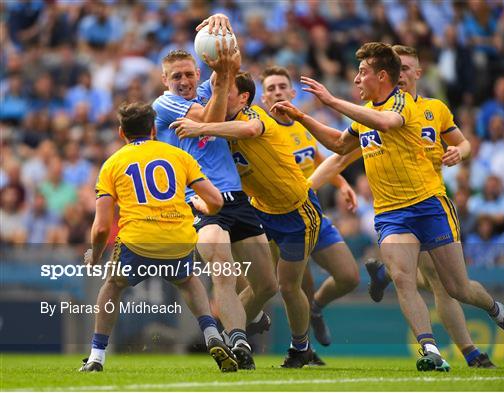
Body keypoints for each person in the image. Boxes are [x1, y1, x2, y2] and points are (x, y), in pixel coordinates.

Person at [271, 42, 504, 372]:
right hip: (391, 213)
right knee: (405, 279)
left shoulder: (406, 105)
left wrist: (331, 100)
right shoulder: (367, 113)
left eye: (362, 73)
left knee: (457, 288)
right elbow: (338, 145)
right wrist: (303, 116)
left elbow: (389, 124)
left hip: (429, 205)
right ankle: (431, 351)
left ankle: (497, 311)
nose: (356, 80)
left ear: (385, 76)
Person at [171, 72, 323, 368]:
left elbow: (250, 130)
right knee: (256, 280)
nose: (217, 97)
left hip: (296, 209)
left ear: (243, 98)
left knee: (287, 286)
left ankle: (300, 347)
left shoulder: (254, 115)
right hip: (259, 210)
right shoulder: (216, 131)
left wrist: (201, 126)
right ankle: (234, 334)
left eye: (225, 92)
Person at [152, 15, 277, 370]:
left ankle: (234, 327)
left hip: (236, 198)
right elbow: (208, 115)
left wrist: (222, 23)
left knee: (268, 284)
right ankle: (239, 343)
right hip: (200, 198)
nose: (184, 81)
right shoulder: (164, 105)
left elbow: (231, 69)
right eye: (176, 76)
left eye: (189, 74)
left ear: (197, 72)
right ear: (165, 80)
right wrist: (220, 81)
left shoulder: (209, 87)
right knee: (222, 268)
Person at [361, 45, 495, 368]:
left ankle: (385, 273)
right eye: (397, 69)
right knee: (425, 278)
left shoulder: (435, 109)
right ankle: (468, 353)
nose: (402, 75)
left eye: (407, 68)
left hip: (430, 199)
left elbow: (463, 143)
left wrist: (459, 153)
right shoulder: (375, 112)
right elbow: (345, 149)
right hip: (395, 208)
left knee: (444, 283)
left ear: (418, 73)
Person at [80, 102, 236, 373]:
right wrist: (203, 207)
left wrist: (94, 254)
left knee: (112, 286)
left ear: (121, 133)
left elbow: (102, 227)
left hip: (137, 240)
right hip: (177, 238)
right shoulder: (177, 155)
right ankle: (212, 335)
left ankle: (96, 356)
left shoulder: (112, 164)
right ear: (153, 129)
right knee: (189, 281)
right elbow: (215, 200)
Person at [259, 66, 360, 363]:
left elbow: (318, 159)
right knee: (295, 286)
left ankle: (316, 307)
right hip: (282, 219)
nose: (277, 91)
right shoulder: (261, 130)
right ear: (264, 98)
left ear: (292, 93)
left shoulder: (304, 126)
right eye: (272, 88)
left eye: (282, 86)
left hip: (313, 213)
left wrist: (342, 185)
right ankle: (303, 348)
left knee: (349, 276)